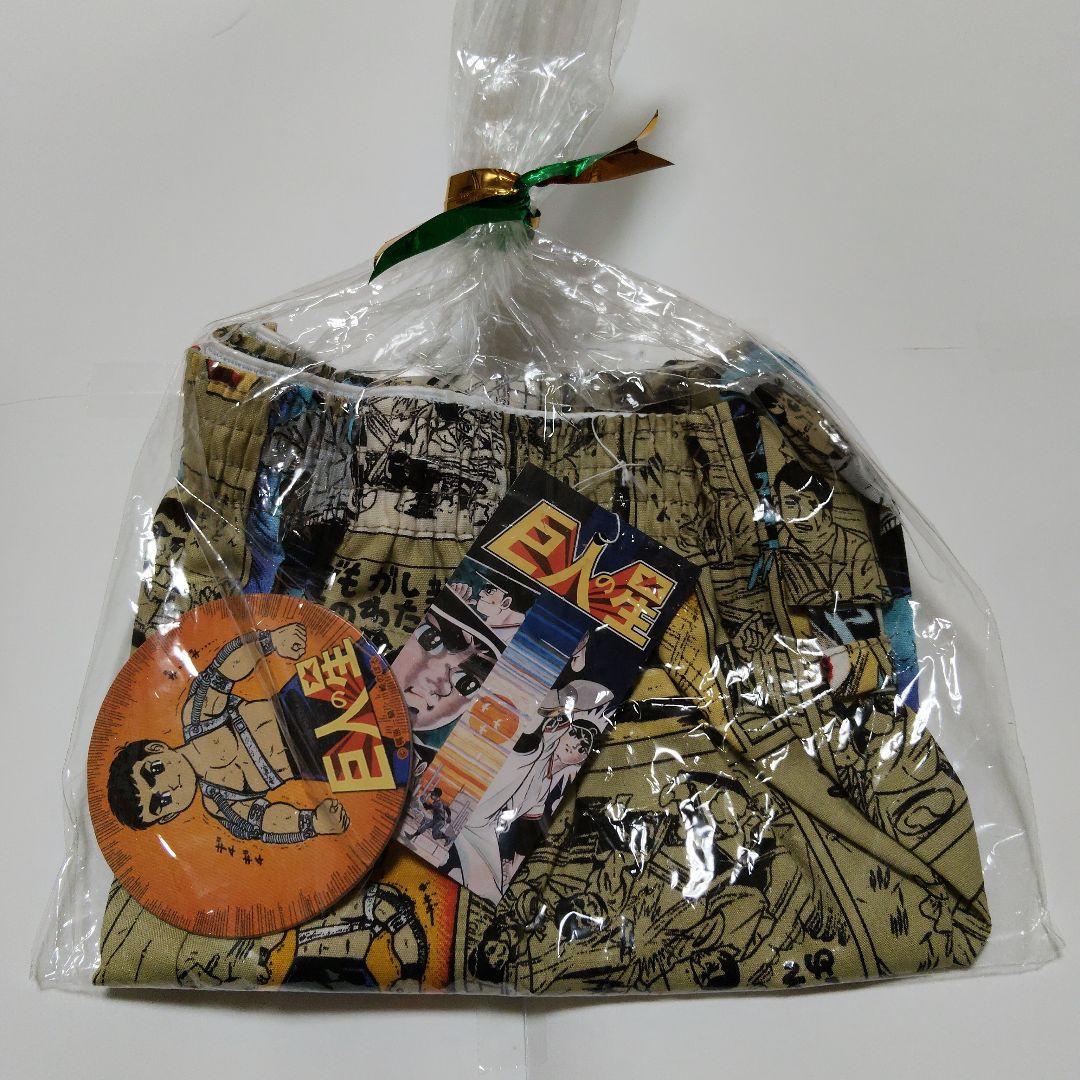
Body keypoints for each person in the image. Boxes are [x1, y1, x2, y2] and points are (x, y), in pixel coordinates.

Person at [107, 622, 351, 844]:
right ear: (170, 815)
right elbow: (265, 821)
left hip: (304, 697)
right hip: (326, 759)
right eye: (161, 801)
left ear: (156, 748)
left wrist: (271, 641)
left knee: (361, 666)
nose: (170, 785)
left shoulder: (197, 717)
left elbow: (225, 670)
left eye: (155, 770)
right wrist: (312, 823)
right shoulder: (220, 802)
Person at [773, 460, 882, 605]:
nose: (801, 515)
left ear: (826, 513)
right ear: (778, 508)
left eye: (811, 504)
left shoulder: (857, 550)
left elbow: (871, 598)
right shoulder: (784, 552)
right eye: (791, 503)